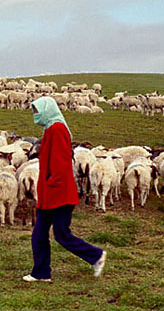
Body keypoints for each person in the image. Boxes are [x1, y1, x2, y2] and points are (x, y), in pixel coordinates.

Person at [23, 96, 106, 282]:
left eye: (37, 110)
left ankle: (96, 256)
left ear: (47, 110)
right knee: (39, 234)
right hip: (49, 193)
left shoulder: (57, 129)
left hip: (59, 193)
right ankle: (41, 273)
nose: (35, 115)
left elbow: (61, 162)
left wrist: (52, 182)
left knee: (62, 235)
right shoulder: (50, 129)